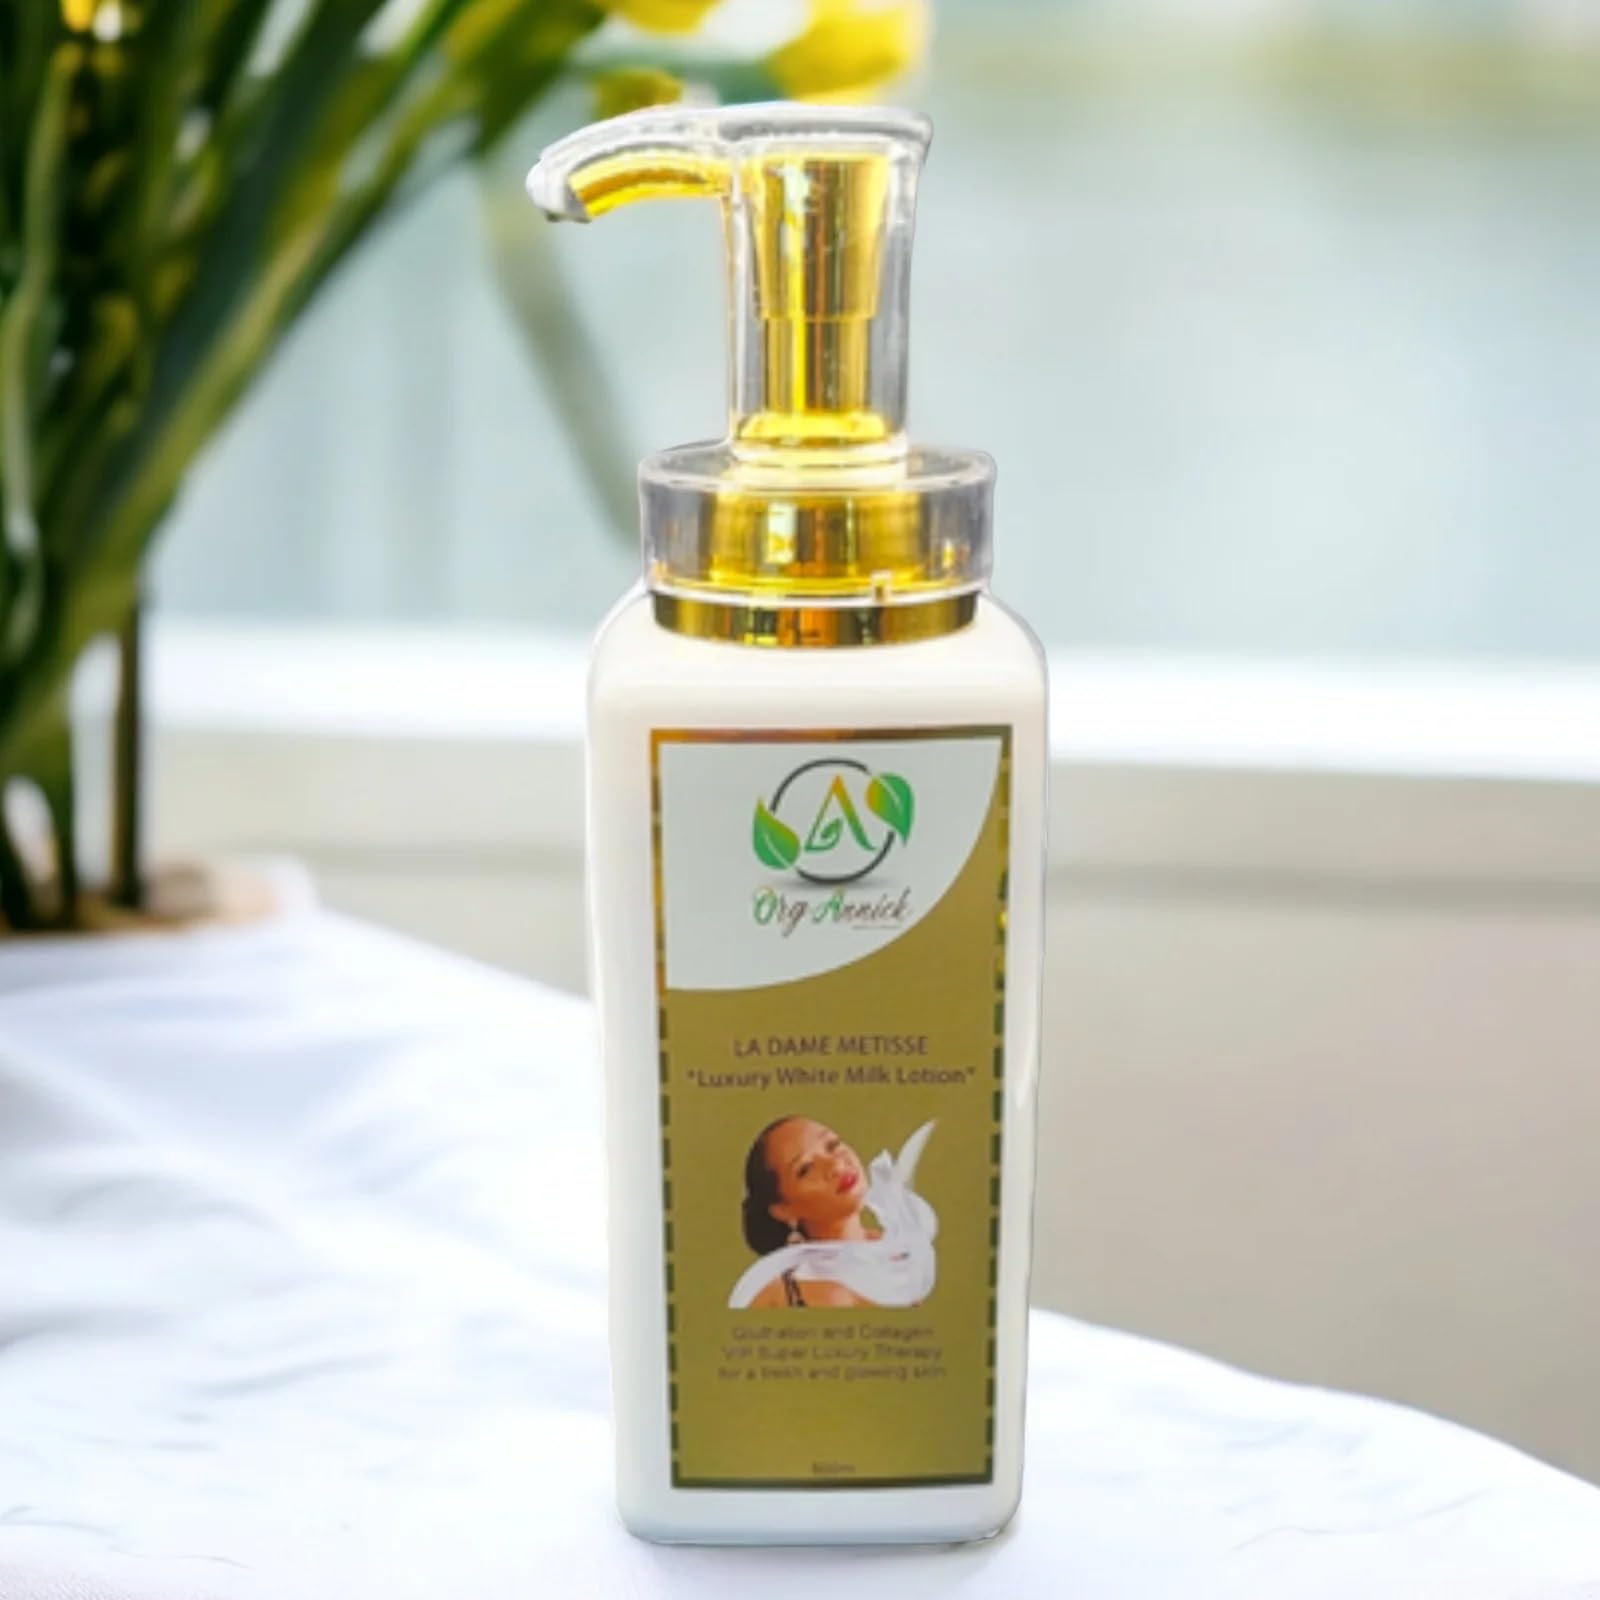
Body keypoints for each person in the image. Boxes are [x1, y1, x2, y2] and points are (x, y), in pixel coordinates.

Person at [728, 1116, 938, 1310]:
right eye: (806, 1169)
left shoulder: (899, 1256)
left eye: (832, 1145)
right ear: (783, 1210)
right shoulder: (776, 1293)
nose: (836, 1165)